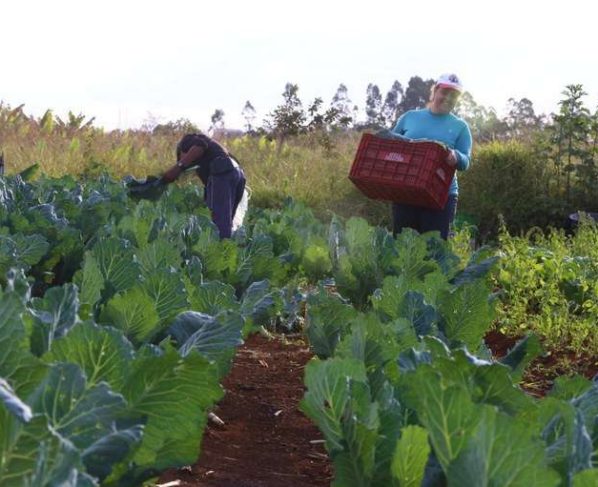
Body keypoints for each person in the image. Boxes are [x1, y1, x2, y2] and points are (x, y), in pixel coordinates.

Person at [390, 73, 472, 240]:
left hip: (441, 196)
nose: (448, 98)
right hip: (406, 191)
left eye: (454, 96)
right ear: (435, 91)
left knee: (434, 251)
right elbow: (391, 146)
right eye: (445, 92)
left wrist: (456, 156)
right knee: (402, 248)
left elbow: (466, 161)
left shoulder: (460, 126)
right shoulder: (410, 117)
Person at [162, 133, 246, 239]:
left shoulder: (187, 141)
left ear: (182, 151)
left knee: (219, 224)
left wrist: (180, 166)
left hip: (223, 171)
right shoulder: (210, 154)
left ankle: (219, 252)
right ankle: (227, 249)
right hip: (237, 173)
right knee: (227, 221)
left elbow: (200, 145)